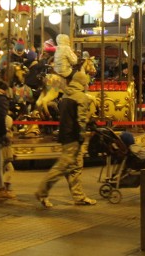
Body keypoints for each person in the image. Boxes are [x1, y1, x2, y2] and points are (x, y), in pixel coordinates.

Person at [35, 71, 97, 207]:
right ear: (83, 82)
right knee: (61, 167)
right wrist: (82, 135)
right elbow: (81, 120)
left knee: (76, 167)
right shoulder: (81, 97)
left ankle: (79, 196)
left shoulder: (65, 95)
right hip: (73, 137)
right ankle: (42, 192)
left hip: (65, 135)